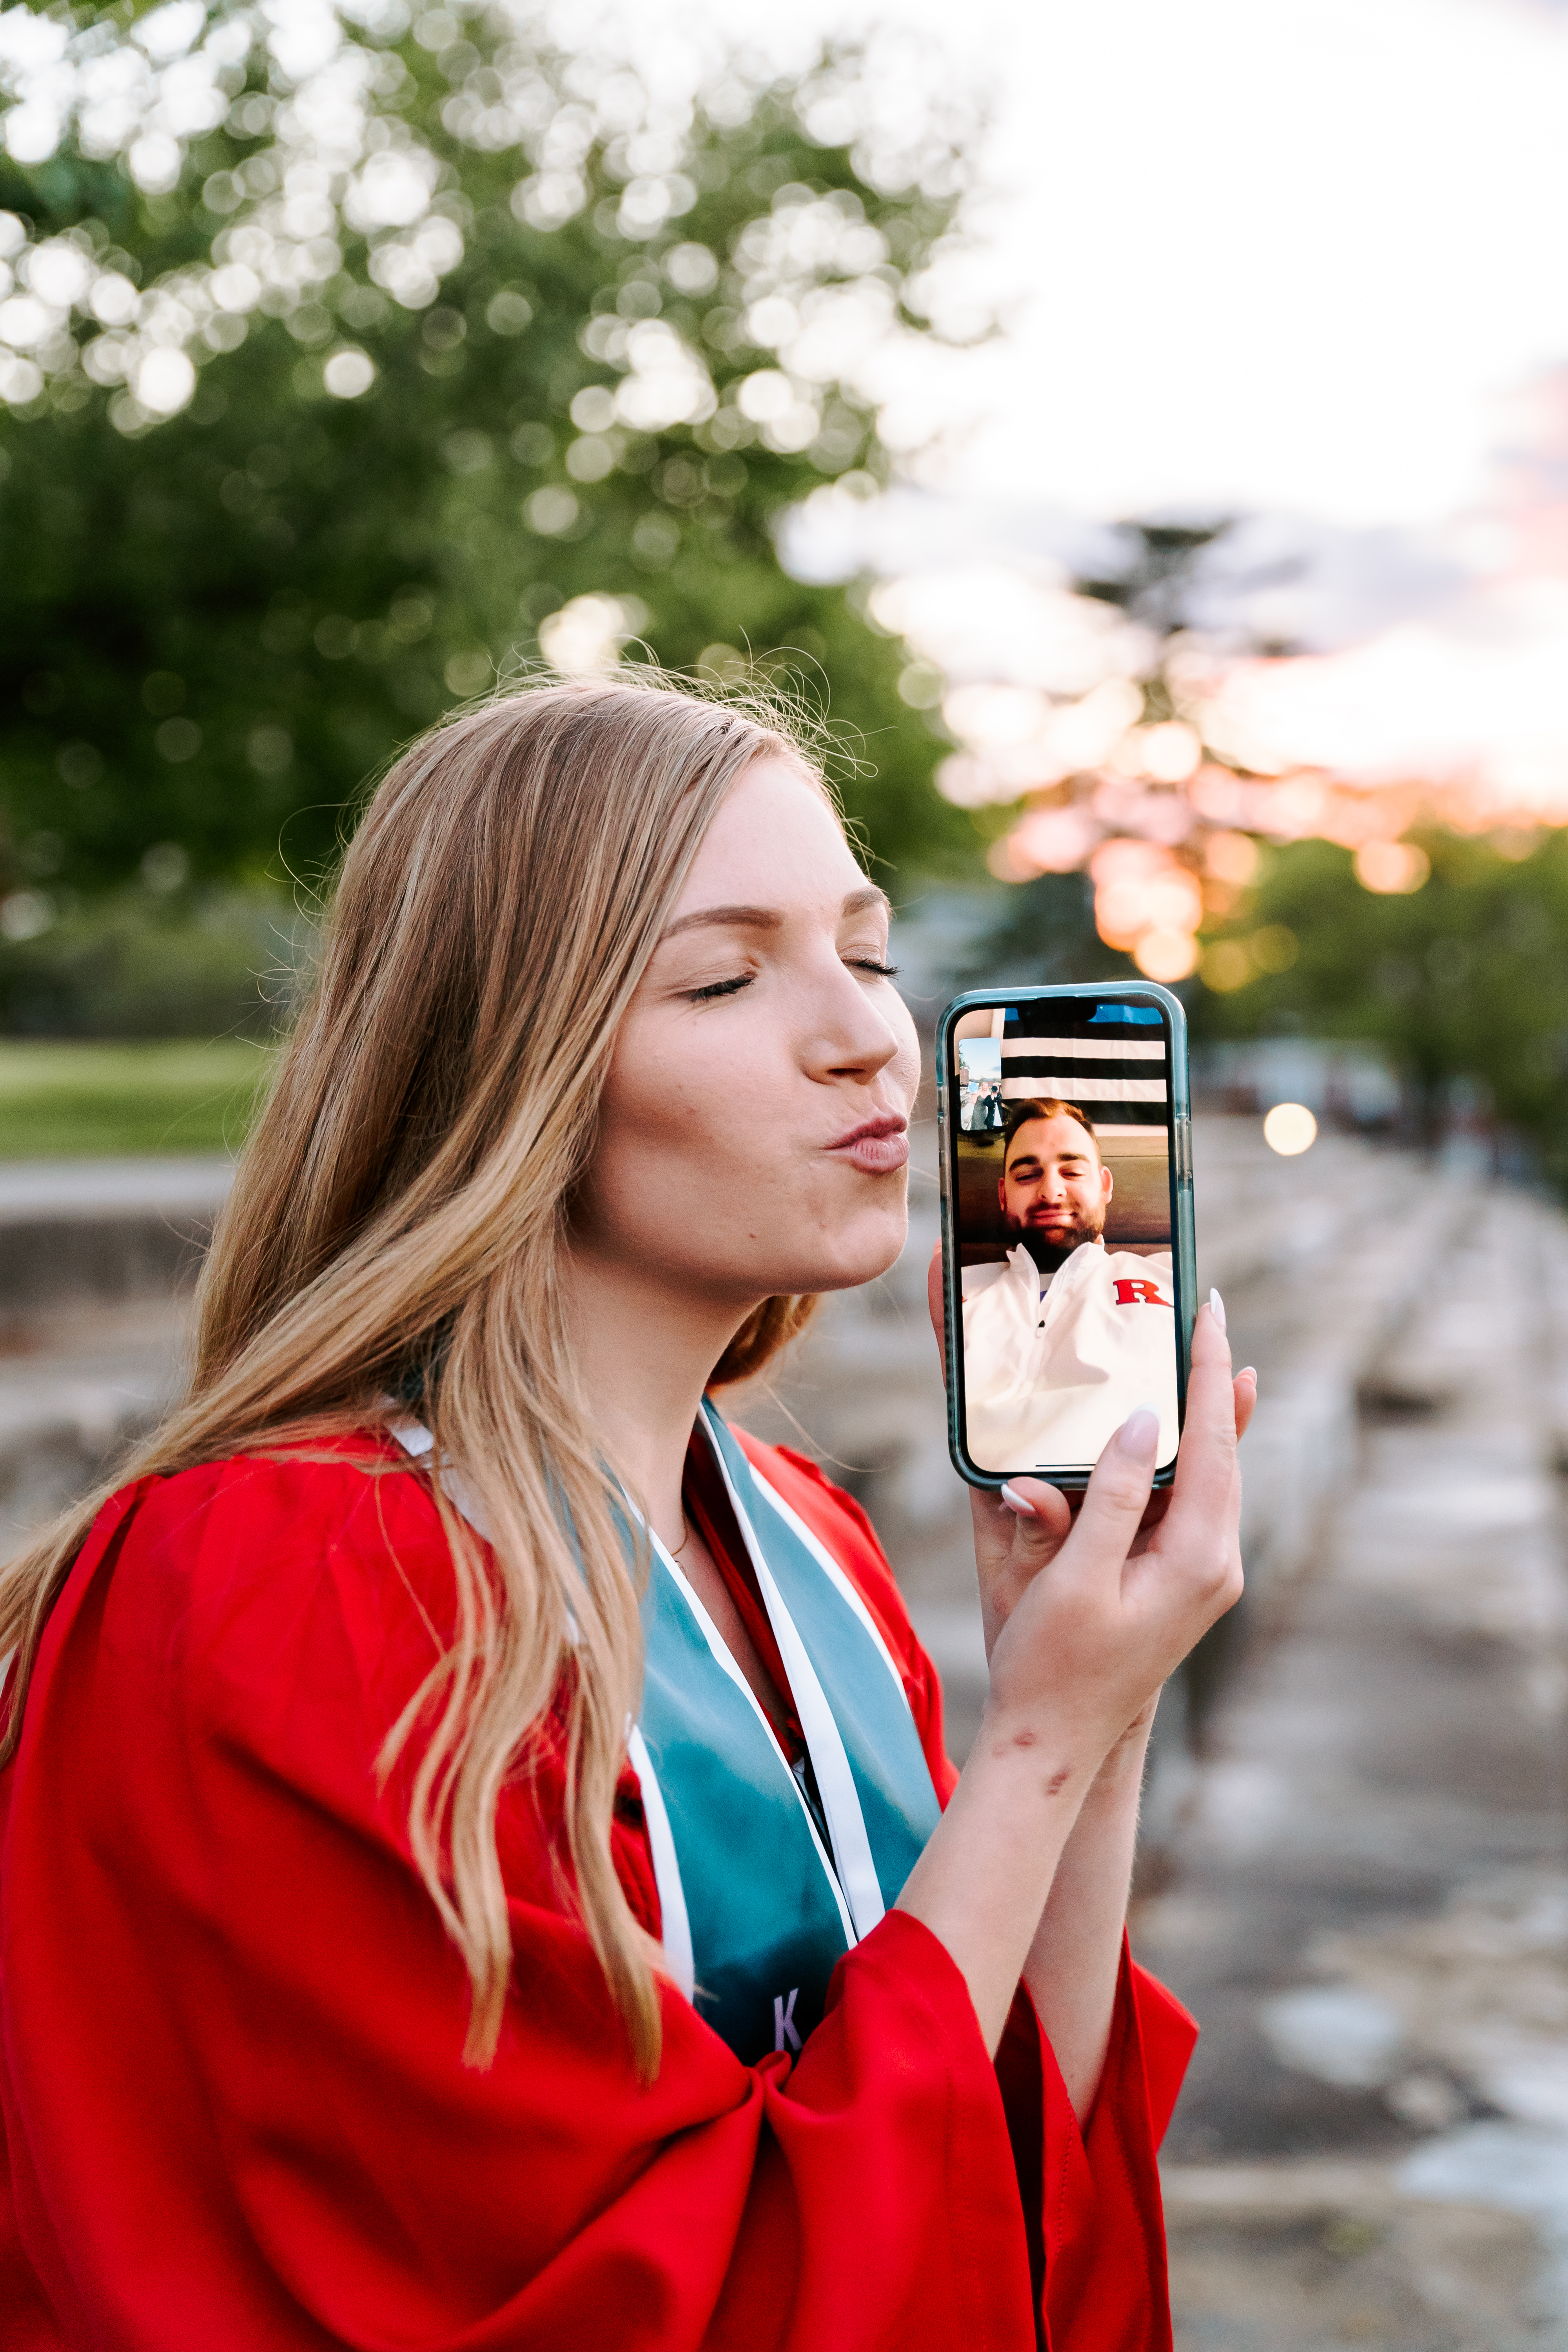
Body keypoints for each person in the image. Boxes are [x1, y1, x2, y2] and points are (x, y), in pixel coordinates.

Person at [0, 678, 1254, 2351]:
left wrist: (1092, 1729)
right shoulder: (282, 1579)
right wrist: (1030, 1752)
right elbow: (611, 2303)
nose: (870, 1036)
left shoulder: (796, 1532)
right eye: (726, 975)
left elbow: (1002, 2175)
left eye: (866, 951)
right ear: (501, 1072)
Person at [961, 1099, 1180, 1475]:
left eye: (1073, 1172)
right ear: (1002, 1195)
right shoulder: (963, 1293)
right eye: (1027, 1176)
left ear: (1105, 1185)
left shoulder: (1169, 1279)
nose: (1051, 1192)